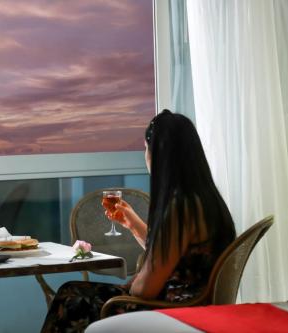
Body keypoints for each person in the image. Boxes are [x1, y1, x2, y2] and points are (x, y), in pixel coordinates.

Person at [40, 110, 236, 333]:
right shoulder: (201, 198)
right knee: (74, 292)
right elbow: (174, 257)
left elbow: (145, 291)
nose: (145, 155)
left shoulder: (180, 208)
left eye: (146, 148)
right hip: (192, 301)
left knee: (71, 299)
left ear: (159, 155)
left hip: (172, 309)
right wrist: (133, 224)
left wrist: (135, 281)